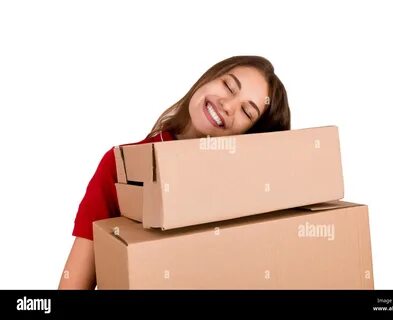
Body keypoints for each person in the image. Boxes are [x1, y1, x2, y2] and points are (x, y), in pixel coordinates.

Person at [58, 55, 291, 289]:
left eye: (247, 112)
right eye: (228, 85)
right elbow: (73, 285)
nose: (227, 105)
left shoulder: (249, 193)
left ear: (249, 136)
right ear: (208, 78)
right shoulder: (122, 166)